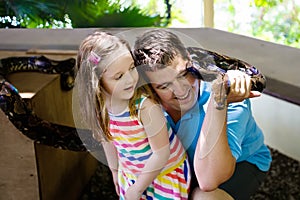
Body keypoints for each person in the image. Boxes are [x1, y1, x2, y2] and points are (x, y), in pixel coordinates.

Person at [133, 29, 272, 200]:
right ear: (150, 88)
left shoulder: (230, 96)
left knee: (203, 197)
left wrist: (218, 102)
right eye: (164, 86)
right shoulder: (146, 104)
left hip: (242, 162)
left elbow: (208, 180)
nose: (181, 90)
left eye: (184, 74)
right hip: (186, 165)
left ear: (190, 62)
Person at [75, 31, 191, 200]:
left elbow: (161, 153)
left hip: (165, 172)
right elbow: (107, 140)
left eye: (131, 68)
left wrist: (137, 188)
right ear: (97, 82)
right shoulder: (102, 109)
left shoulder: (145, 107)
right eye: (119, 76)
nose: (130, 79)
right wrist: (115, 171)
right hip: (132, 173)